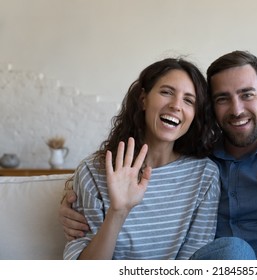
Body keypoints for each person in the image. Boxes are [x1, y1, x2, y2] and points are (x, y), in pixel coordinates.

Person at [60, 51, 257, 260]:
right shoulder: (206, 162)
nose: (237, 109)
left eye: (247, 94)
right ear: (211, 108)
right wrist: (76, 195)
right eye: (223, 99)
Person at [62, 57, 229, 260]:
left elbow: (193, 259)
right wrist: (118, 211)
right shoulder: (94, 171)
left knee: (234, 250)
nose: (176, 105)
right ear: (143, 99)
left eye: (188, 100)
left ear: (195, 114)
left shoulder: (204, 175)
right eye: (166, 92)